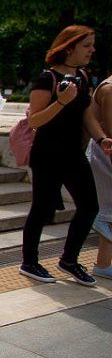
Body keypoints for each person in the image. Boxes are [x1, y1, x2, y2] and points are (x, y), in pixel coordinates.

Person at [20, 25, 110, 285]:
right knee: (42, 209)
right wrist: (60, 102)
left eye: (93, 45)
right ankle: (30, 262)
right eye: (87, 46)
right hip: (48, 154)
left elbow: (86, 115)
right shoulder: (47, 79)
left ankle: (69, 260)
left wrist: (101, 138)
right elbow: (35, 120)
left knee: (90, 206)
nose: (92, 50)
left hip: (73, 153)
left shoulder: (82, 75)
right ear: (69, 47)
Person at [88, 68, 112, 278]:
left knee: (109, 213)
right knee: (108, 214)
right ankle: (103, 265)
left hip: (104, 152)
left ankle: (103, 265)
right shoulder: (110, 89)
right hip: (106, 154)